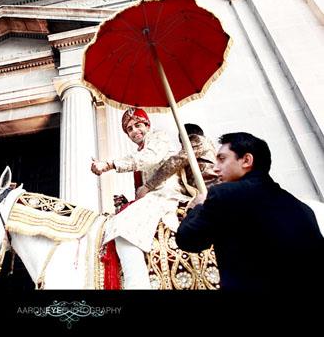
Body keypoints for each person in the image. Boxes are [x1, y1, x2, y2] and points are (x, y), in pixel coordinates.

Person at [176, 132, 324, 290]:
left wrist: (197, 206)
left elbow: (188, 239)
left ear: (246, 160)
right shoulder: (304, 209)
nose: (215, 168)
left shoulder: (225, 195)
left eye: (222, 159)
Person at [91, 107, 181, 288]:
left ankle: (137, 284)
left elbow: (149, 159)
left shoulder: (158, 137)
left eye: (138, 125)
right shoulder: (141, 149)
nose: (134, 131)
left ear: (147, 125)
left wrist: (110, 164)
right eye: (129, 129)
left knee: (120, 227)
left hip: (166, 195)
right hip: (153, 198)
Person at [137, 123, 220, 201]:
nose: (182, 147)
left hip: (211, 190)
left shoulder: (198, 140)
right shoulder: (209, 149)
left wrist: (148, 186)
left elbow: (176, 161)